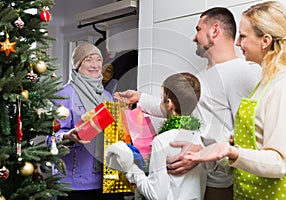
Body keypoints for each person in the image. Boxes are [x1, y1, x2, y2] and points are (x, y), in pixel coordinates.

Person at [114, 7, 261, 200]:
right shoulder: (201, 77)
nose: (194, 37)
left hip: (220, 182)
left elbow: (250, 133)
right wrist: (139, 97)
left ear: (214, 31)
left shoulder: (243, 72)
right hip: (195, 180)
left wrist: (203, 154)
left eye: (199, 29)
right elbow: (176, 107)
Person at [182, 1, 286, 199]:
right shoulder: (266, 82)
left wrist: (231, 151)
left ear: (265, 40)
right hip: (250, 191)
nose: (237, 43)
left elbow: (279, 161)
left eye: (243, 36)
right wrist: (216, 147)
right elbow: (256, 138)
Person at [106, 72, 209, 200]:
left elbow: (156, 195)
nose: (160, 101)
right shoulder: (201, 140)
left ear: (169, 103)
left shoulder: (162, 141)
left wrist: (132, 168)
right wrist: (139, 97)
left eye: (161, 98)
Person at [49, 42, 113, 200]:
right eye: (88, 60)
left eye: (98, 60)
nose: (95, 65)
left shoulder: (107, 96)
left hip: (105, 181)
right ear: (77, 65)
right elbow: (49, 139)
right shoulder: (64, 94)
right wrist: (67, 136)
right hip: (72, 183)